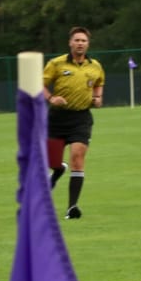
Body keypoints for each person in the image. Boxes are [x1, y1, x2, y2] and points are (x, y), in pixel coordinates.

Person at [44, 26, 104, 219]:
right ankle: (58, 170)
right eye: (77, 40)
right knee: (52, 162)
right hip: (56, 118)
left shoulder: (95, 66)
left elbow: (98, 84)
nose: (80, 43)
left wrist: (97, 98)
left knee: (77, 158)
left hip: (81, 118)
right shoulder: (56, 63)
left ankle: (72, 208)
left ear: (88, 44)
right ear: (70, 42)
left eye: (83, 41)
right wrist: (52, 98)